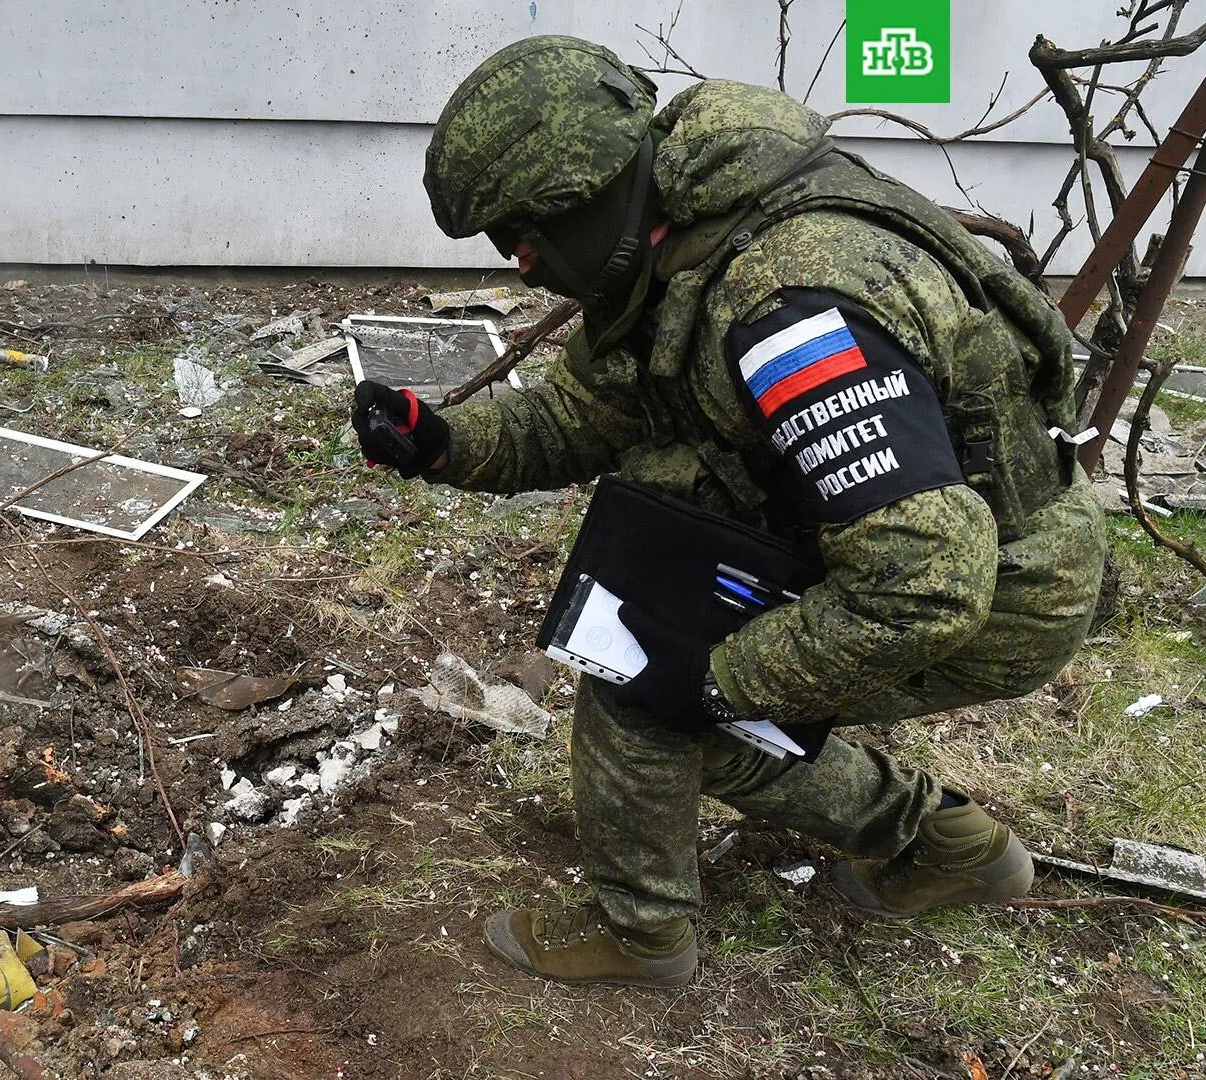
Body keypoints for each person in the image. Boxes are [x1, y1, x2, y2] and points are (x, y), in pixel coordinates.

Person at [352, 35, 1105, 989]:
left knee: (645, 693)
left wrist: (722, 675)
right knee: (680, 693)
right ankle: (951, 844)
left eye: (525, 229)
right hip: (903, 546)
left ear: (590, 192)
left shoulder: (789, 305)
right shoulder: (687, 232)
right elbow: (579, 412)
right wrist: (442, 442)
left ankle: (643, 936)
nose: (525, 259)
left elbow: (925, 584)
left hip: (1002, 585)